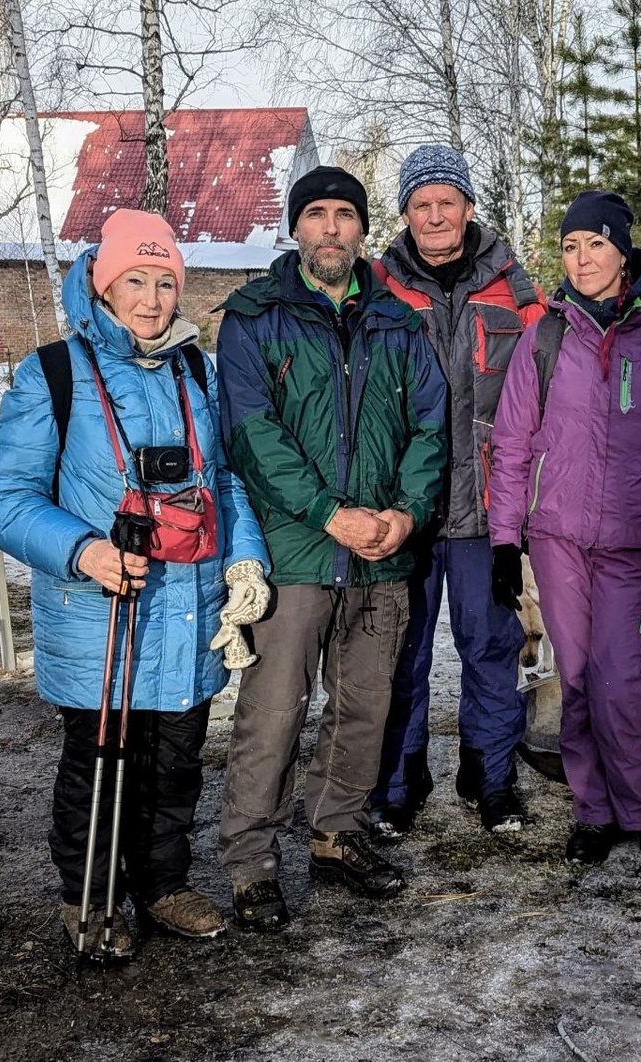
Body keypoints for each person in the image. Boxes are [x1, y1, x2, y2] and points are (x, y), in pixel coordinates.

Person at [0, 209, 271, 956]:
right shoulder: (52, 373)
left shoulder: (195, 371)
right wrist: (84, 551)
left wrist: (245, 558)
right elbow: (6, 498)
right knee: (101, 763)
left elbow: (225, 482)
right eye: (135, 281)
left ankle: (163, 885)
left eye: (165, 283)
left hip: (189, 607)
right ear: (103, 286)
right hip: (102, 611)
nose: (151, 299)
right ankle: (92, 897)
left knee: (176, 762)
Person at [215, 166, 447, 931]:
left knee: (363, 708)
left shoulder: (399, 323)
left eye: (345, 215)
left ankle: (334, 833)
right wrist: (327, 513)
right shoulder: (255, 316)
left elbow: (430, 427)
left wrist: (406, 514)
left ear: (362, 229)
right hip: (297, 551)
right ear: (296, 228)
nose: (331, 228)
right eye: (315, 213)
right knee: (274, 712)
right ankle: (251, 861)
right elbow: (251, 432)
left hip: (382, 552)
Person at [487, 191, 641, 866]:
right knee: (577, 678)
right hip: (558, 539)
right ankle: (594, 812)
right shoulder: (545, 338)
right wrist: (504, 540)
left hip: (633, 539)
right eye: (571, 246)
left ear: (624, 253)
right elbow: (512, 442)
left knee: (622, 676)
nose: (581, 259)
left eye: (596, 245)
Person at [368, 144, 545, 840]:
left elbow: (545, 400)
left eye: (447, 201)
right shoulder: (378, 286)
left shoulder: (513, 288)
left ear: (468, 207)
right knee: (399, 652)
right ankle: (399, 780)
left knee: (492, 647)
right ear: (405, 214)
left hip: (488, 514)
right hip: (403, 513)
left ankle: (490, 776)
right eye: (421, 204)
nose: (435, 215)